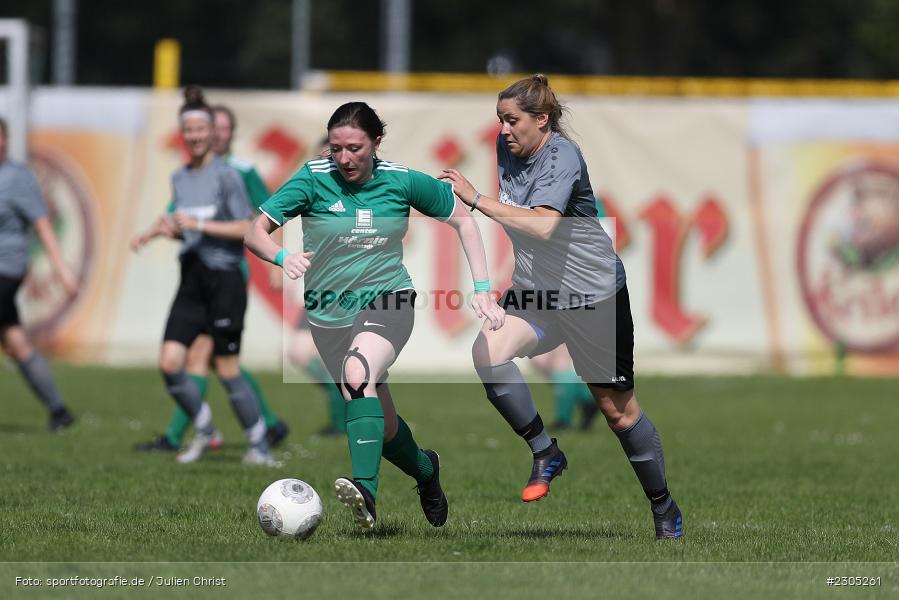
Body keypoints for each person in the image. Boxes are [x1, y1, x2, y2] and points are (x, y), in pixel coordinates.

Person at [439, 74, 683, 539]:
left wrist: (476, 198)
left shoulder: (563, 156)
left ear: (543, 120)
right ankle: (545, 451)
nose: (504, 130)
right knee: (487, 351)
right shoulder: (506, 146)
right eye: (500, 120)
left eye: (513, 120)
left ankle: (663, 506)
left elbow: (544, 227)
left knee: (618, 414)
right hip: (538, 291)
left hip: (593, 295)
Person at [245, 101, 505, 530]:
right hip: (328, 317)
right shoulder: (312, 178)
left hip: (390, 300)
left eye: (354, 148)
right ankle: (426, 472)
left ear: (376, 143)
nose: (344, 158)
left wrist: (481, 289)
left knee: (357, 374)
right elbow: (255, 230)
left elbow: (464, 221)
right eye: (336, 148)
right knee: (380, 426)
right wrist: (281, 256)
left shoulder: (400, 181)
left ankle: (365, 491)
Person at [131, 86, 277, 466]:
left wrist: (196, 222)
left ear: (213, 133)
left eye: (201, 129)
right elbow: (189, 227)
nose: (194, 136)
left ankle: (259, 444)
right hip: (191, 278)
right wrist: (169, 229)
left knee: (227, 368)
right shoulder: (179, 177)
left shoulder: (228, 176)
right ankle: (206, 428)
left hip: (224, 281)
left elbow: (247, 227)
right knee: (169, 363)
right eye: (188, 130)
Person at [0, 117, 78, 431]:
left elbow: (43, 225)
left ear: (6, 140)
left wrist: (62, 272)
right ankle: (59, 411)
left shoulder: (18, 178)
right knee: (16, 341)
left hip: (7, 267)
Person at [286, 136, 347, 436]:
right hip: (316, 288)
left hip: (340, 288)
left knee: (334, 359)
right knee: (298, 353)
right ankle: (346, 403)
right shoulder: (311, 188)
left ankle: (341, 421)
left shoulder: (351, 193)